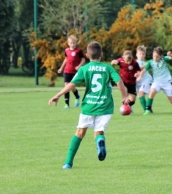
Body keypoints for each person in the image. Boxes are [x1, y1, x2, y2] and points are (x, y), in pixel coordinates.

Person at [48, 41, 129, 169]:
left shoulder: (84, 69)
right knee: (99, 132)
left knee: (79, 133)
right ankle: (100, 141)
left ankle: (68, 163)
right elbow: (119, 82)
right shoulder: (108, 68)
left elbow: (72, 84)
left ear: (86, 55)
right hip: (105, 106)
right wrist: (124, 97)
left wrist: (58, 95)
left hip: (89, 107)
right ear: (101, 54)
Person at [137, 46, 172, 115]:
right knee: (152, 92)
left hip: (166, 82)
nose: (155, 58)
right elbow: (144, 70)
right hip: (156, 82)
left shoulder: (164, 59)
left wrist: (170, 55)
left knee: (171, 100)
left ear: (160, 56)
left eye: (157, 57)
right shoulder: (151, 62)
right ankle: (147, 110)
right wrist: (140, 76)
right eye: (154, 56)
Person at [58, 35, 85, 109]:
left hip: (74, 72)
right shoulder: (66, 50)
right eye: (71, 43)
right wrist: (61, 68)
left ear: (76, 43)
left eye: (74, 43)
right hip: (67, 70)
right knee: (66, 86)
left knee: (72, 87)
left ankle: (77, 96)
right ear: (68, 43)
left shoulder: (78, 51)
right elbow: (66, 59)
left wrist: (79, 66)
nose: (73, 44)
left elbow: (83, 60)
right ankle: (67, 104)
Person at [135, 45, 153, 112]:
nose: (141, 55)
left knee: (140, 94)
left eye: (143, 54)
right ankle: (148, 109)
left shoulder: (145, 63)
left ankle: (146, 110)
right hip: (139, 82)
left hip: (147, 80)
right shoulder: (135, 62)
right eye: (140, 53)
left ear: (145, 55)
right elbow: (137, 69)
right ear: (136, 54)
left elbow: (140, 70)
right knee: (140, 96)